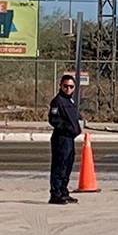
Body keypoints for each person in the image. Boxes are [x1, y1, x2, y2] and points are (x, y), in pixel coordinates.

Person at [47, 74, 82, 205]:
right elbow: (53, 119)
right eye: (65, 86)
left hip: (69, 138)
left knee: (67, 165)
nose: (68, 89)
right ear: (60, 86)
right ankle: (55, 194)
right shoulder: (58, 101)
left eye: (71, 87)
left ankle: (63, 191)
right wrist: (67, 127)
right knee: (59, 166)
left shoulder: (70, 101)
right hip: (61, 138)